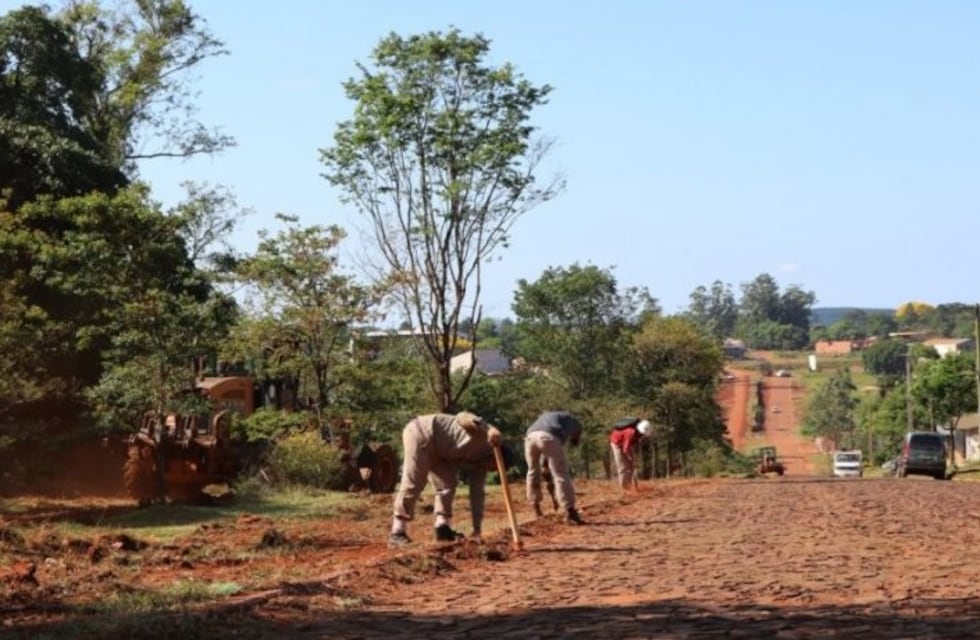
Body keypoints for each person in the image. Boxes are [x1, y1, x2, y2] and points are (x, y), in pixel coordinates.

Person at [389, 411, 503, 548]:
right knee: (414, 482)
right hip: (422, 432)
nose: (491, 470)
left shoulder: (480, 465)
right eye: (494, 467)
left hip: (441, 452)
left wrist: (477, 529)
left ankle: (442, 527)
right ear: (494, 457)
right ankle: (397, 531)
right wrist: (489, 429)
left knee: (448, 484)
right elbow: (462, 416)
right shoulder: (485, 436)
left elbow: (477, 494)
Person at [525, 411, 585, 524]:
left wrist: (545, 464)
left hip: (530, 437)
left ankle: (535, 505)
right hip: (548, 436)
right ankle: (570, 511)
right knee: (560, 473)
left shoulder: (551, 417)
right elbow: (556, 441)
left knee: (532, 471)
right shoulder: (575, 423)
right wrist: (546, 464)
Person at [609, 417, 651, 491]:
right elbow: (625, 449)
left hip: (625, 444)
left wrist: (631, 459)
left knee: (630, 466)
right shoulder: (630, 432)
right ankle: (625, 488)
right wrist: (630, 458)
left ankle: (633, 486)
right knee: (623, 467)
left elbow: (631, 445)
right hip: (617, 444)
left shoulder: (638, 433)